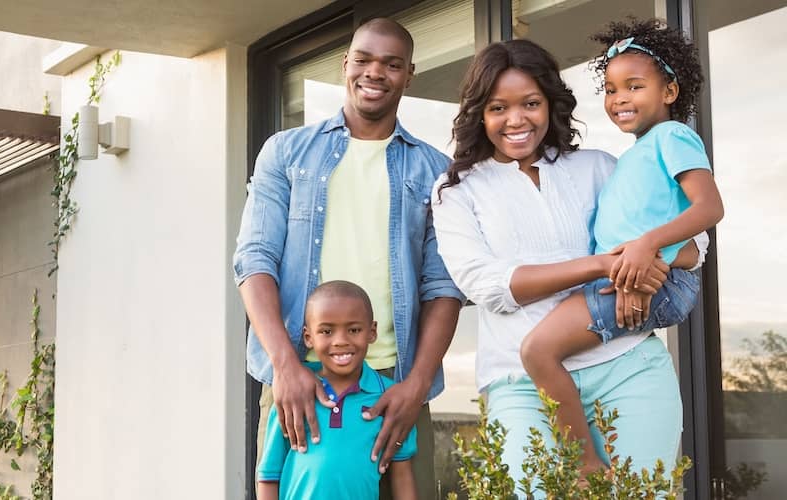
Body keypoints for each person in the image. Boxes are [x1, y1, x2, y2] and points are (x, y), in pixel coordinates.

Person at [430, 38, 708, 488]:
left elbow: (693, 239)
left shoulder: (599, 166)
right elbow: (487, 285)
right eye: (498, 107)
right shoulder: (457, 190)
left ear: (550, 105)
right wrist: (603, 265)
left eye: (531, 103)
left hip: (628, 368)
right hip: (521, 385)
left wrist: (650, 255)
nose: (516, 120)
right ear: (479, 113)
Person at [233, 17, 464, 498]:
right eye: (363, 60)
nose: (374, 73)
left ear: (409, 74)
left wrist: (416, 385)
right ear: (345, 65)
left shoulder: (434, 170)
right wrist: (285, 368)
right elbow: (254, 261)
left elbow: (443, 287)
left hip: (395, 388)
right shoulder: (286, 153)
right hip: (299, 383)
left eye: (391, 64)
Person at [518, 17, 723, 476]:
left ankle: (586, 463)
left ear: (669, 92)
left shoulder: (674, 136)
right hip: (639, 278)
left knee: (537, 351)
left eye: (634, 86)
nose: (620, 99)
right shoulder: (633, 156)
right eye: (611, 90)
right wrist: (629, 269)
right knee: (541, 349)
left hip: (664, 283)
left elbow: (709, 208)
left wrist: (646, 251)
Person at [257, 281, 418, 500]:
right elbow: (269, 476)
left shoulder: (388, 398)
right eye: (326, 331)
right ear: (308, 337)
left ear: (372, 332)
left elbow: (401, 477)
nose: (340, 341)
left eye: (353, 330)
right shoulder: (294, 395)